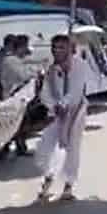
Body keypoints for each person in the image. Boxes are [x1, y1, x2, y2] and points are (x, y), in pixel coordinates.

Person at [35, 34, 91, 202]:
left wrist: (64, 103)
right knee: (46, 147)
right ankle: (48, 178)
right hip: (56, 114)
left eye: (61, 47)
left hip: (75, 112)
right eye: (55, 48)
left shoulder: (80, 65)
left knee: (72, 148)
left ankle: (68, 185)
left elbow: (76, 89)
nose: (57, 51)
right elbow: (44, 92)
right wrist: (54, 106)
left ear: (69, 48)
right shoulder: (51, 69)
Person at [0, 35, 35, 157]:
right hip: (13, 97)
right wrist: (32, 72)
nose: (26, 50)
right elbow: (24, 75)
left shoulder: (14, 60)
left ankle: (17, 147)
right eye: (25, 47)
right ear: (20, 47)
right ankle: (9, 149)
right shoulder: (11, 61)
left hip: (17, 97)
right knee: (15, 123)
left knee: (18, 123)